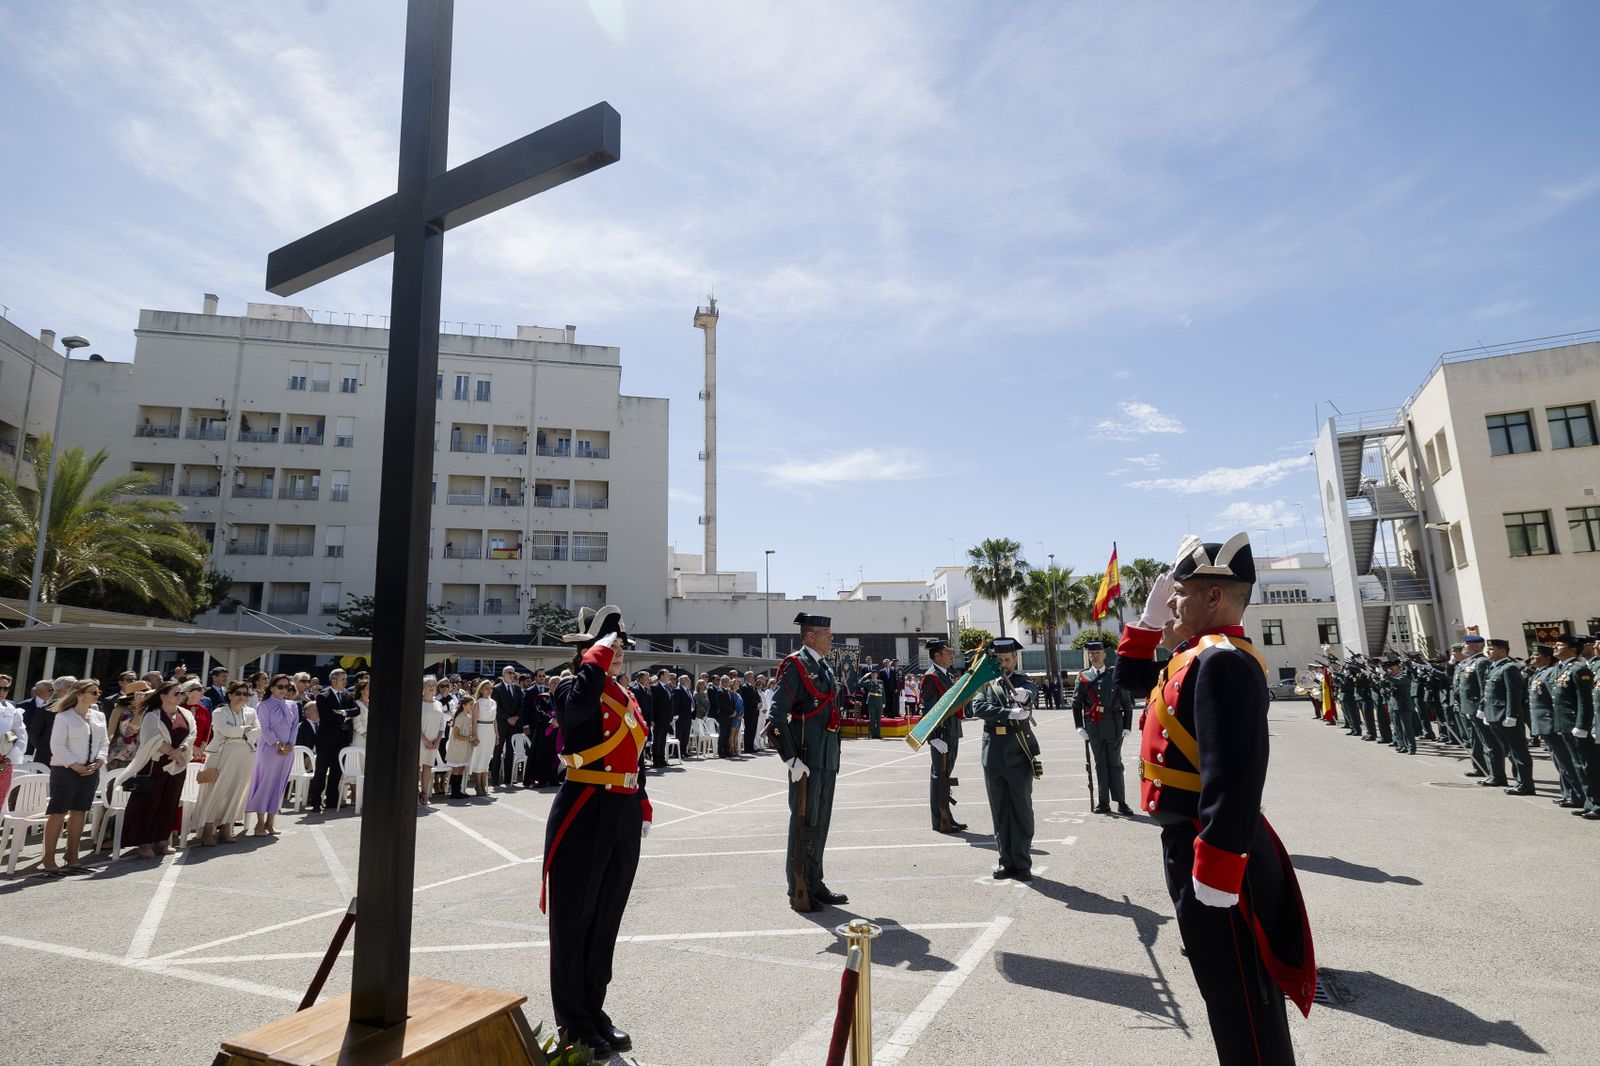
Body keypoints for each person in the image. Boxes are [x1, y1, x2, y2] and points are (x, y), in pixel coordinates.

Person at [1115, 534, 1315, 1065]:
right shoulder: (1194, 656)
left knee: (1241, 997)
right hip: (1191, 843)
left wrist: (1218, 867)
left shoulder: (1224, 662)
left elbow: (1236, 775)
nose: (1171, 604)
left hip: (1217, 851)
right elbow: (1131, 682)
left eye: (1179, 594)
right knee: (1222, 989)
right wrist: (1147, 621)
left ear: (1213, 599)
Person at [542, 606, 650, 1058]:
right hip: (584, 808)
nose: (617, 653)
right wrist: (593, 661)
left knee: (605, 920)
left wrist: (640, 799)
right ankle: (574, 1022)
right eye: (610, 646)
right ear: (586, 651)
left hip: (620, 810)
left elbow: (636, 752)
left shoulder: (623, 694)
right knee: (574, 920)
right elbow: (573, 715)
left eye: (620, 646)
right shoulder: (574, 684)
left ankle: (594, 1009)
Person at [770, 611, 849, 912]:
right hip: (806, 757)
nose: (830, 637)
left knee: (821, 823)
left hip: (827, 756)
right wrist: (790, 758)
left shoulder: (824, 668)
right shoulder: (796, 665)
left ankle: (815, 880)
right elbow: (776, 716)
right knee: (804, 823)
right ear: (808, 636)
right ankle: (798, 886)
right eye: (824, 632)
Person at [971, 637, 1039, 881]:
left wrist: (1025, 697)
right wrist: (1008, 712)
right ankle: (1006, 861)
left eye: (1007, 659)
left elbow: (1031, 692)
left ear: (1015, 659)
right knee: (999, 810)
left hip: (1017, 750)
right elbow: (978, 708)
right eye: (999, 660)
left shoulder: (1021, 682)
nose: (1003, 664)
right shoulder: (987, 684)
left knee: (1021, 808)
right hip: (992, 752)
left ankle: (1022, 862)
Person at [39, 679, 108, 876]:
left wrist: (99, 760)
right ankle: (49, 857)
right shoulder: (65, 716)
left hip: (90, 770)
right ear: (79, 695)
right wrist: (74, 765)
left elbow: (104, 741)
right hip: (65, 770)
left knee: (79, 812)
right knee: (58, 812)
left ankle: (72, 856)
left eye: (98, 692)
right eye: (93, 692)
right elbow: (57, 745)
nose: (97, 695)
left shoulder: (99, 716)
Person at [121, 680, 193, 859]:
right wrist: (172, 752)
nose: (180, 697)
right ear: (163, 696)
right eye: (176, 693)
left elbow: (192, 734)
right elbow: (152, 738)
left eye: (181, 693)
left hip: (177, 765)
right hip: (155, 765)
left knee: (170, 801)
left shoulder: (185, 713)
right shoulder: (152, 715)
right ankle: (143, 842)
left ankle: (162, 839)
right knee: (149, 802)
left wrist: (181, 751)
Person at [1072, 640, 1134, 815]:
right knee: (1100, 764)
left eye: (1098, 652)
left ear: (1104, 655)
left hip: (1114, 724)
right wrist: (1079, 727)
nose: (1095, 655)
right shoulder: (1083, 677)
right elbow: (1077, 704)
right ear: (1088, 656)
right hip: (1094, 726)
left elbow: (1126, 703)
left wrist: (1127, 725)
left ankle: (1121, 802)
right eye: (1092, 653)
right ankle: (1103, 802)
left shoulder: (1114, 675)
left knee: (1115, 763)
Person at [194, 682, 257, 845]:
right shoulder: (219, 711)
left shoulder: (251, 712)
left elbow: (259, 731)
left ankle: (226, 830)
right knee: (215, 791)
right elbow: (225, 730)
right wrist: (244, 730)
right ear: (230, 695)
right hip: (222, 756)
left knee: (236, 791)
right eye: (239, 693)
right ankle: (207, 831)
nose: (243, 697)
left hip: (246, 755)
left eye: (246, 694)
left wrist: (240, 731)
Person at [920, 638, 967, 834]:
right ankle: (940, 819)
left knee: (945, 777)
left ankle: (947, 815)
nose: (951, 655)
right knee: (939, 776)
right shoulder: (931, 677)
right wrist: (932, 737)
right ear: (937, 655)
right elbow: (928, 709)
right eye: (947, 652)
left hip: (952, 731)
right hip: (942, 735)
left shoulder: (945, 675)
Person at [245, 674, 300, 836]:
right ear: (272, 688)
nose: (284, 690)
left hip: (288, 750)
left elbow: (295, 726)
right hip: (269, 750)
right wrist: (278, 745)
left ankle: (271, 822)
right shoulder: (264, 705)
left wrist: (290, 744)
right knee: (265, 784)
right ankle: (260, 824)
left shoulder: (293, 705)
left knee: (279, 784)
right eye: (280, 686)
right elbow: (264, 728)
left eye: (287, 687)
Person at [1548, 634, 1596, 818]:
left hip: (1576, 724)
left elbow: (1585, 701)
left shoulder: (1579, 669)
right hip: (1565, 724)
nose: (1555, 647)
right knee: (1577, 765)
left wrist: (1582, 725)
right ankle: (1589, 801)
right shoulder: (1560, 668)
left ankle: (1597, 803)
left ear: (1572, 649)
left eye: (1560, 645)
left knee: (1587, 765)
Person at [1484, 639, 1534, 795]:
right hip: (1495, 715)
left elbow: (1513, 694)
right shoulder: (1494, 668)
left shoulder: (1509, 668)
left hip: (1506, 716)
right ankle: (1520, 781)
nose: (1488, 652)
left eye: (1492, 649)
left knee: (1519, 752)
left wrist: (1512, 715)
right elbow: (1487, 693)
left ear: (1502, 651)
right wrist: (1484, 711)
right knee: (1509, 752)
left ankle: (1525, 784)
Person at [313, 668, 358, 809]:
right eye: (342, 679)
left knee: (336, 771)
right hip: (326, 741)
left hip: (342, 740)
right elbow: (327, 716)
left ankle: (332, 801)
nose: (345, 681)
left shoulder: (347, 694)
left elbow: (356, 710)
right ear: (333, 680)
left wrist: (343, 712)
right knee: (321, 771)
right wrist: (344, 716)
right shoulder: (323, 696)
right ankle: (315, 801)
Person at [1381, 656, 1417, 756]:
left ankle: (1411, 747)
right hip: (1394, 705)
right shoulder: (1393, 677)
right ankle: (1402, 745)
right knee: (1397, 727)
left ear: (1399, 669)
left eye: (1392, 669)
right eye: (1389, 669)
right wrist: (1381, 678)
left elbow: (1396, 682)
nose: (1390, 671)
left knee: (1407, 728)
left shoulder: (1403, 676)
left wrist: (1386, 676)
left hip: (1403, 705)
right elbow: (1384, 686)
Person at [467, 677, 497, 795]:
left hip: (490, 731)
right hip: (481, 729)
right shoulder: (477, 703)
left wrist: (497, 735)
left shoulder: (493, 702)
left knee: (486, 758)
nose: (489, 691)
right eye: (486, 688)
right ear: (481, 690)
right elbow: (473, 721)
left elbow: (495, 720)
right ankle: (478, 785)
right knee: (479, 757)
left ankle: (484, 785)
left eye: (490, 688)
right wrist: (474, 736)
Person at [19, 678, 58, 766]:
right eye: (50, 689)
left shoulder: (55, 707)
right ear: (39, 691)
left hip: (45, 752)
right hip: (26, 748)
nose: (53, 692)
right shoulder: (23, 705)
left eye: (53, 690)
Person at [419, 676, 445, 804]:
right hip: (420, 741)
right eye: (428, 685)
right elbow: (415, 724)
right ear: (423, 688)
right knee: (417, 768)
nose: (431, 687)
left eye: (433, 685)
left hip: (434, 741)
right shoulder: (418, 703)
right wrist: (424, 740)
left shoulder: (438, 703)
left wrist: (438, 740)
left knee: (428, 767)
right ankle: (413, 794)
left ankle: (424, 794)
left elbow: (442, 724)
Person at [1, 674, 25, 803]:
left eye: (5, 689)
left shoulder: (11, 710)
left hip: (3, 760)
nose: (2, 692)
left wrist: (7, 760)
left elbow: (21, 737)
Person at [350, 676, 370, 752]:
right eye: (368, 688)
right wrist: (366, 735)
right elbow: (356, 723)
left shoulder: (371, 703)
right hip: (359, 739)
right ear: (362, 691)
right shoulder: (356, 704)